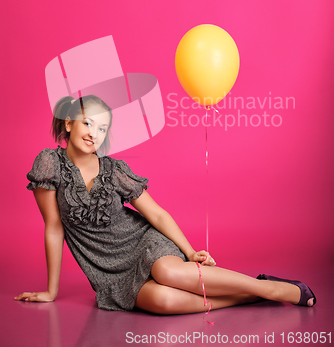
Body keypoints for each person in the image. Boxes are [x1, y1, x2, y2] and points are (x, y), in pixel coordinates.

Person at [14, 95, 316, 313]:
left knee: (169, 274)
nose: (94, 133)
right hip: (108, 270)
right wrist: (51, 292)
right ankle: (248, 297)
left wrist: (189, 251)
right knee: (163, 301)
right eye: (88, 123)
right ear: (68, 123)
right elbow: (54, 228)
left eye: (102, 128)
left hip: (143, 242)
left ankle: (272, 289)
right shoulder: (49, 163)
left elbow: (156, 213)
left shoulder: (115, 169)